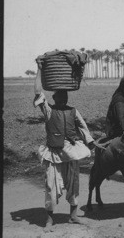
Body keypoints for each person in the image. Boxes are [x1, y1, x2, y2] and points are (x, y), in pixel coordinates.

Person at [33, 90, 94, 227]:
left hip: (71, 152)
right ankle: (49, 219)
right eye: (60, 97)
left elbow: (82, 126)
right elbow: (38, 92)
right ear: (54, 98)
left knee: (74, 184)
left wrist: (89, 141)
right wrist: (39, 70)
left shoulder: (73, 111)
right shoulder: (49, 110)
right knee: (51, 185)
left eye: (65, 97)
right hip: (54, 152)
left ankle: (73, 216)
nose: (63, 100)